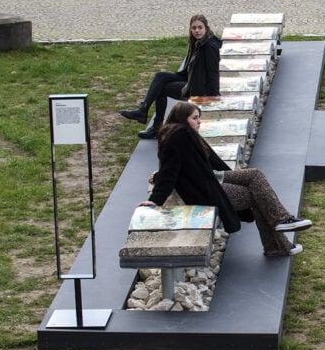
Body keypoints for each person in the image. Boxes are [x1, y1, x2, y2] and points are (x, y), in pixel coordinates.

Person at [138, 102, 312, 257]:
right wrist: (154, 200)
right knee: (255, 186)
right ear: (182, 118)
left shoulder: (181, 135)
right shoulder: (179, 134)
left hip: (211, 182)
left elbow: (177, 166)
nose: (199, 122)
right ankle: (280, 227)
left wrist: (158, 176)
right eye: (195, 118)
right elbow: (171, 170)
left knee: (255, 183)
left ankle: (279, 237)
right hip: (204, 191)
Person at [120, 14, 223, 139]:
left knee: (162, 90)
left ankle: (156, 127)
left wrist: (214, 96)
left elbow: (213, 72)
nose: (197, 31)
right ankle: (143, 109)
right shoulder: (197, 42)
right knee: (160, 76)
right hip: (190, 77)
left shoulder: (209, 46)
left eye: (200, 27)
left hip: (198, 87)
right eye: (194, 28)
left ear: (206, 28)